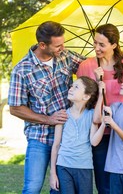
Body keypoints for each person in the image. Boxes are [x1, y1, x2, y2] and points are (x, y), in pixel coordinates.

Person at [8, 21, 86, 194]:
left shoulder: (65, 56)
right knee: (33, 187)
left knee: (59, 188)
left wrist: (119, 56)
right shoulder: (22, 70)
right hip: (39, 137)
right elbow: (15, 108)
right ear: (42, 45)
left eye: (63, 43)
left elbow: (90, 66)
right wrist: (47, 119)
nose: (62, 48)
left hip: (67, 136)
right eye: (58, 45)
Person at [76, 23, 123, 194]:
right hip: (101, 133)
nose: (96, 47)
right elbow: (82, 100)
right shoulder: (86, 66)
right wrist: (98, 85)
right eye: (95, 43)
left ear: (114, 44)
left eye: (102, 44)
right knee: (106, 188)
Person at [50, 76, 99, 194]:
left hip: (84, 167)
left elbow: (95, 138)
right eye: (72, 86)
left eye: (76, 87)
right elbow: (56, 145)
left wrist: (102, 93)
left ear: (86, 96)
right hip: (63, 166)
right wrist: (53, 173)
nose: (70, 88)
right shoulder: (62, 115)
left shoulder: (92, 115)